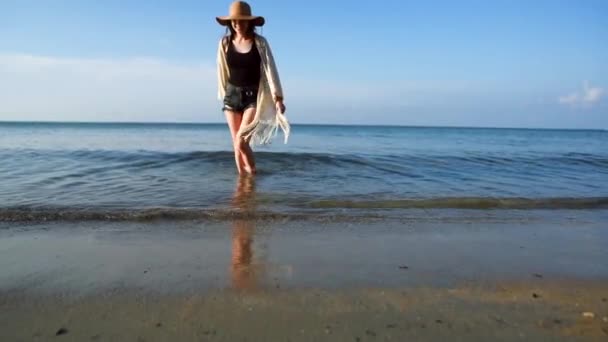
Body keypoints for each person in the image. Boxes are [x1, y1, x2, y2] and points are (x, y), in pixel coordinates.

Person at [216, 1, 290, 175]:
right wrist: (224, 94)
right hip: (231, 96)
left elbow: (271, 69)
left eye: (241, 21)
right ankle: (243, 184)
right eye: (234, 21)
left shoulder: (260, 43)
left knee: (242, 141)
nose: (237, 24)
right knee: (236, 142)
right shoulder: (225, 43)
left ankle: (253, 174)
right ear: (230, 23)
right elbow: (222, 71)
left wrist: (278, 98)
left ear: (249, 22)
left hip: (253, 97)